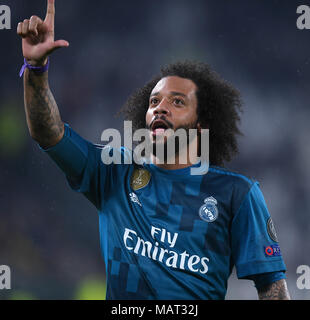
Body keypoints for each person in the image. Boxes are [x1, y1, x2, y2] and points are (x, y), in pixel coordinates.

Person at [17, 0, 290, 300]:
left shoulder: (236, 194)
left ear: (202, 124)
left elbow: (272, 290)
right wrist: (36, 69)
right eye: (154, 101)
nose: (160, 108)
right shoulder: (114, 172)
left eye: (177, 102)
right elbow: (48, 133)